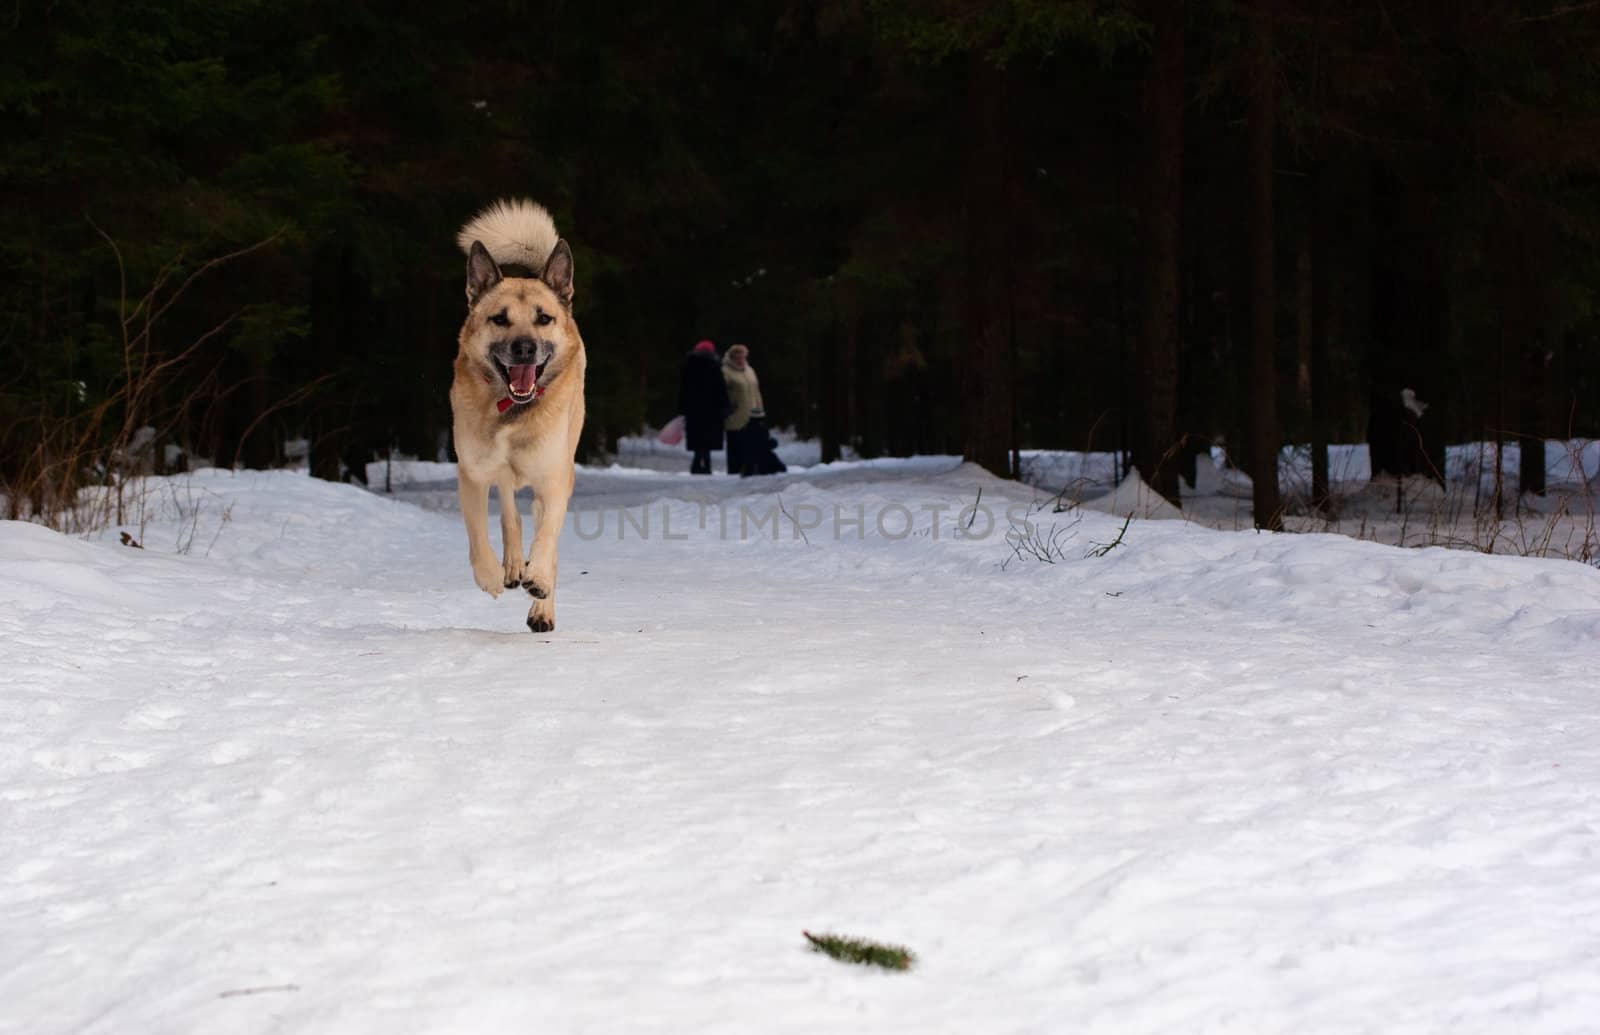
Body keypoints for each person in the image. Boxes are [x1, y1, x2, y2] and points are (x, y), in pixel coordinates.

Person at [722, 343, 780, 476]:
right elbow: (721, 393)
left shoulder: (749, 370)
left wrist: (760, 408)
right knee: (735, 443)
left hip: (753, 413)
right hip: (735, 413)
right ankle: (734, 471)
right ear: (732, 357)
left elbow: (756, 391)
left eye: (743, 356)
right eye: (737, 356)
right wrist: (728, 407)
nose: (740, 359)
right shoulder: (725, 371)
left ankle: (750, 469)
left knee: (751, 443)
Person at [677, 340, 730, 475]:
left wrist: (682, 407)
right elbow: (721, 389)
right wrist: (725, 406)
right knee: (708, 437)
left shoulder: (689, 365)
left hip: (694, 409)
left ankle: (696, 462)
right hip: (712, 409)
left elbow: (684, 388)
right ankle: (706, 464)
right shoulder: (715, 365)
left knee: (697, 436)